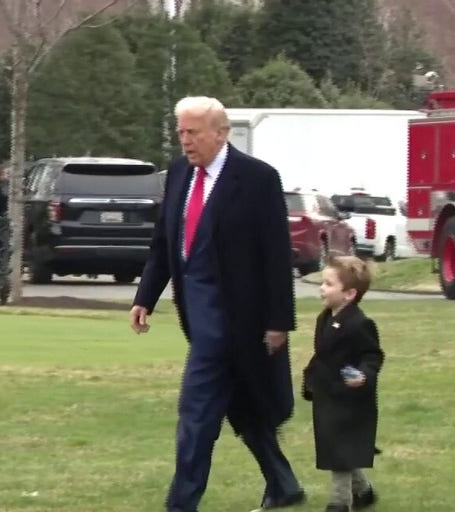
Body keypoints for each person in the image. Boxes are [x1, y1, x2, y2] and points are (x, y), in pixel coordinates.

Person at [130, 96, 305, 512]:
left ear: (221, 133)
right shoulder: (177, 175)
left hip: (243, 321)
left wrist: (280, 321)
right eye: (180, 132)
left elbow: (277, 255)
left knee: (196, 414)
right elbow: (164, 244)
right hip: (201, 318)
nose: (185, 141)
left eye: (193, 133)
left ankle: (180, 504)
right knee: (243, 407)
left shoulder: (258, 179)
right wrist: (145, 297)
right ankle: (283, 485)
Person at [301, 256, 385, 511]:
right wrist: (310, 378)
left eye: (328, 284)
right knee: (338, 449)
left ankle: (339, 503)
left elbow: (372, 356)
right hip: (328, 398)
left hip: (350, 401)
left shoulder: (360, 324)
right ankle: (365, 491)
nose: (321, 288)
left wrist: (363, 375)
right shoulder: (325, 318)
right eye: (322, 282)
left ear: (349, 294)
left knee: (339, 452)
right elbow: (323, 355)